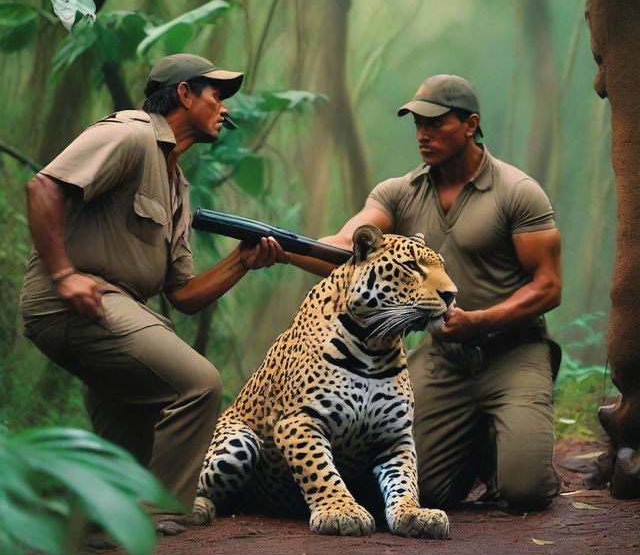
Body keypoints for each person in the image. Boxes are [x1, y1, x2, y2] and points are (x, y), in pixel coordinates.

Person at [19, 53, 286, 526]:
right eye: (216, 96)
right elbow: (43, 188)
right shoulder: (132, 133)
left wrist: (240, 262)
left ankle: (99, 532)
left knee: (132, 426)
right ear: (184, 94)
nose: (225, 109)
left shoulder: (177, 186)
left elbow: (182, 295)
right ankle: (162, 516)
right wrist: (63, 275)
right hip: (74, 300)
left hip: (121, 310)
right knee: (200, 384)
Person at [296, 74, 562, 511]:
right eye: (417, 123)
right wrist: (280, 249)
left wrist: (481, 320)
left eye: (436, 123)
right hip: (443, 359)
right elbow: (347, 250)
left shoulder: (518, 192)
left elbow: (548, 287)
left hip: (513, 353)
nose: (423, 133)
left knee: (524, 491)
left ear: (471, 124)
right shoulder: (399, 193)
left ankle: (504, 451)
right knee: (420, 493)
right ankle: (475, 441)